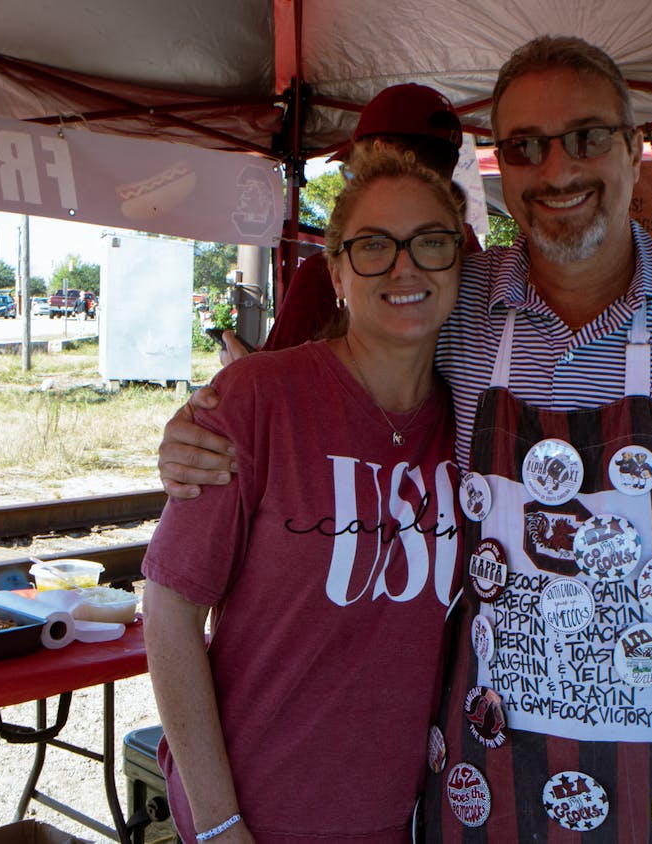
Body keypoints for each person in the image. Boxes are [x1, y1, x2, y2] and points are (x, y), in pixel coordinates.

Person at [159, 35, 652, 843]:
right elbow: (344, 369)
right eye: (527, 147)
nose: (559, 170)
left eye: (588, 137)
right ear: (502, 166)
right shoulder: (457, 305)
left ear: (636, 150)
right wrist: (204, 428)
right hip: (487, 798)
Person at [141, 148, 466, 843]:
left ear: (460, 262)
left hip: (413, 820)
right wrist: (220, 821)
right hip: (259, 818)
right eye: (374, 246)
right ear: (339, 274)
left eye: (431, 243)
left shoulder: (473, 420)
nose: (405, 267)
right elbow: (169, 611)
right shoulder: (259, 397)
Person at [262, 82, 469, 352]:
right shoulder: (481, 270)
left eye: (351, 170)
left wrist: (244, 376)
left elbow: (278, 380)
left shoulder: (327, 274)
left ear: (382, 155)